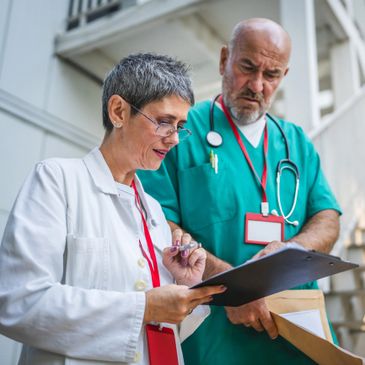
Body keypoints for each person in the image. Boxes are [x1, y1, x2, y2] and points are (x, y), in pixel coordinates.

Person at [0, 53, 226, 365]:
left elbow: (159, 332)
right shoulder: (57, 181)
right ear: (119, 111)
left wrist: (185, 287)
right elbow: (18, 302)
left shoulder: (156, 215)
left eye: (179, 126)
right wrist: (143, 307)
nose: (174, 139)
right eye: (163, 122)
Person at [138, 19, 341, 364]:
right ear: (223, 60)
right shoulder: (182, 131)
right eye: (247, 67)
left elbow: (327, 217)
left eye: (272, 74)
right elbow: (158, 225)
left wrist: (293, 247)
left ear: (283, 76)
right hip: (215, 332)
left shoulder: (296, 143)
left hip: (295, 333)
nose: (258, 85)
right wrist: (235, 289)